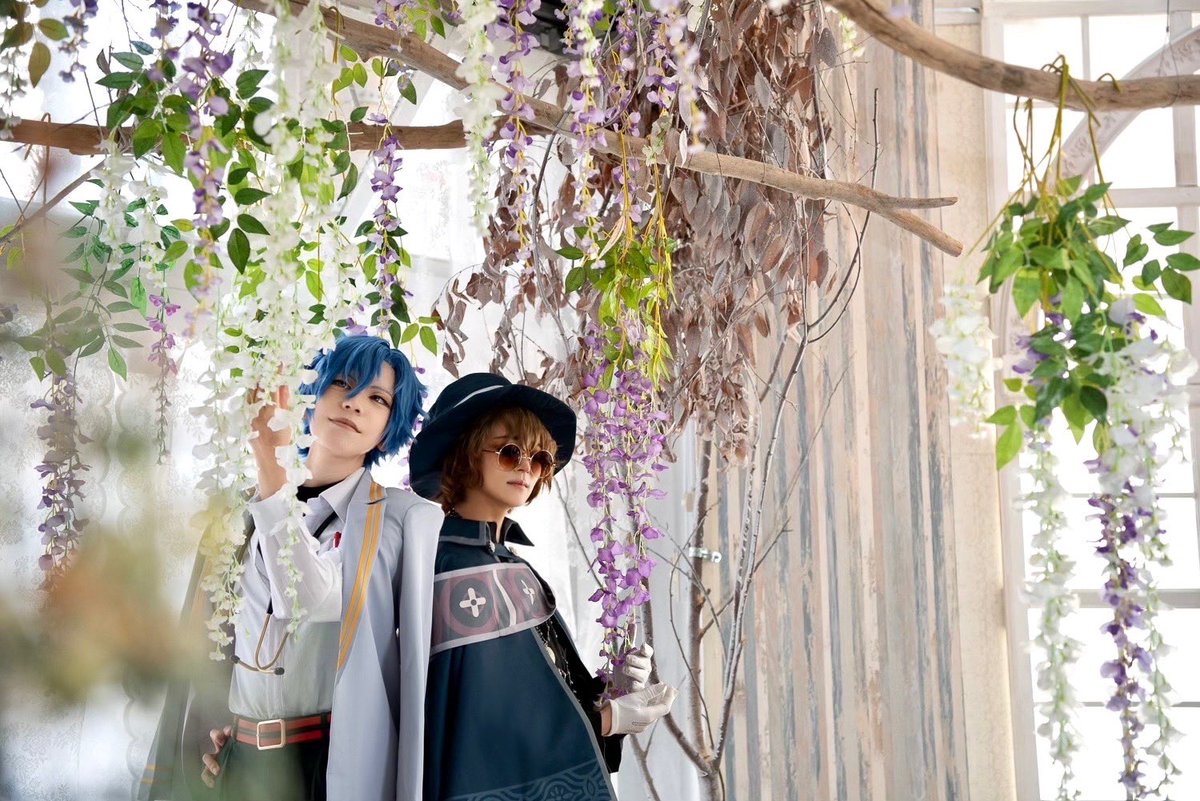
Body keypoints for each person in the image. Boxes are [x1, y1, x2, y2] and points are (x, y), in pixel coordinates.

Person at [140, 334, 443, 801]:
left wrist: (272, 472)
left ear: (388, 429)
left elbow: (311, 602)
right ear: (308, 394)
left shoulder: (402, 519)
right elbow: (208, 646)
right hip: (238, 762)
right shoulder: (237, 514)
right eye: (341, 383)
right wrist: (217, 733)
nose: (354, 402)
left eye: (378, 399)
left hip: (330, 766)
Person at [409, 372, 677, 801]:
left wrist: (612, 690)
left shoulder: (510, 564)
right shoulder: (452, 568)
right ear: (463, 455)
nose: (525, 468)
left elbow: (543, 684)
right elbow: (485, 722)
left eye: (538, 460)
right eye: (509, 452)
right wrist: (608, 719)